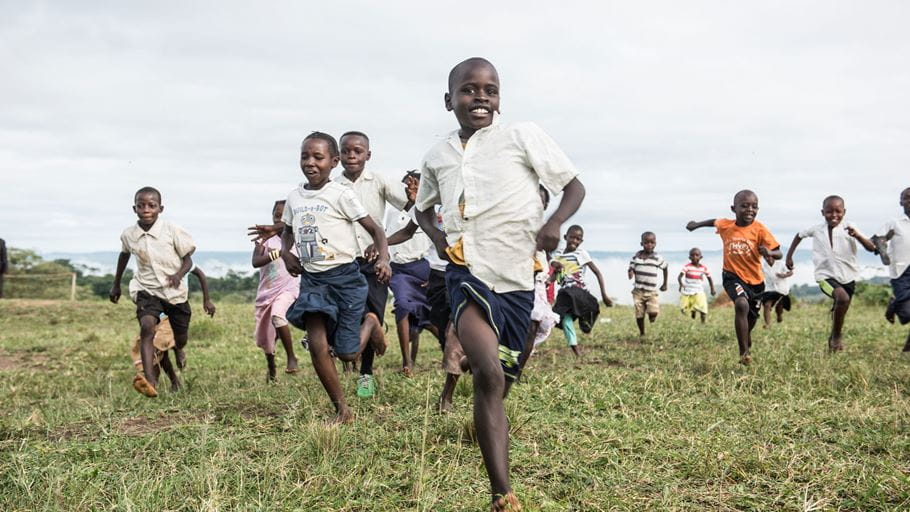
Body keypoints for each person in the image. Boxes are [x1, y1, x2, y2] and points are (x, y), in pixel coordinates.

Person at [414, 57, 585, 511]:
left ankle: (486, 422)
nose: (481, 97)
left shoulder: (521, 136)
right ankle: (502, 496)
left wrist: (555, 224)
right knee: (487, 372)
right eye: (469, 90)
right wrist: (437, 237)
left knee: (501, 377)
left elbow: (573, 187)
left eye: (490, 90)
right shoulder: (437, 156)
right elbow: (423, 208)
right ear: (448, 100)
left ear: (499, 99)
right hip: (465, 273)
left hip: (516, 278)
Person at [280, 132, 391, 424]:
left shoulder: (341, 195)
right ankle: (342, 410)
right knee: (317, 343)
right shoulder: (294, 197)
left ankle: (371, 322)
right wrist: (285, 252)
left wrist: (383, 257)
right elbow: (287, 230)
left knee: (347, 353)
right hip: (313, 280)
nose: (310, 163)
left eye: (318, 157)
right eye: (305, 156)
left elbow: (376, 230)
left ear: (334, 162)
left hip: (345, 279)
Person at [335, 130, 411, 398]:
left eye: (358, 151)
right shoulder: (333, 187)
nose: (352, 156)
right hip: (343, 262)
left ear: (368, 154)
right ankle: (364, 344)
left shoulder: (379, 182)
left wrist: (384, 248)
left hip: (374, 263)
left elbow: (412, 207)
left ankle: (365, 374)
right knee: (350, 315)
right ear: (337, 156)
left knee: (372, 315)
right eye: (346, 151)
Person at [110, 186, 197, 397]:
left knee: (181, 336)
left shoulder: (172, 230)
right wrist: (116, 283)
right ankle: (150, 381)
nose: (146, 209)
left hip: (174, 293)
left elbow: (188, 259)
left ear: (160, 208)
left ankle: (179, 348)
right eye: (141, 205)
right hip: (146, 289)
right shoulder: (129, 235)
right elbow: (124, 256)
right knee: (147, 327)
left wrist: (178, 275)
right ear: (134, 209)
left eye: (151, 205)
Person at [687, 189, 782, 365]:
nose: (749, 210)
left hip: (755, 282)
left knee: (752, 316)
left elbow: (779, 253)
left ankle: (746, 335)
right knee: (741, 304)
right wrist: (696, 225)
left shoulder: (760, 229)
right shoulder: (726, 225)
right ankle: (743, 352)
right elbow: (713, 222)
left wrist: (769, 252)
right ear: (734, 208)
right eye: (744, 206)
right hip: (731, 276)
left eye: (754, 206)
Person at [785, 195, 874, 351]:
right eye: (829, 212)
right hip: (825, 276)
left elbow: (871, 248)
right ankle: (836, 336)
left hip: (848, 277)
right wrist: (789, 256)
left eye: (838, 211)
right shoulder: (816, 229)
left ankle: (834, 332)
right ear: (822, 212)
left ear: (844, 212)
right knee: (842, 298)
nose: (834, 215)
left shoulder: (850, 227)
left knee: (842, 307)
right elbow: (799, 235)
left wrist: (857, 236)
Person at [385, 171, 433, 376]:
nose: (410, 189)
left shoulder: (428, 210)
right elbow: (392, 236)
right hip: (399, 270)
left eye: (415, 186)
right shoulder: (392, 212)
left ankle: (453, 353)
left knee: (423, 318)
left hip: (423, 267)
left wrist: (434, 274)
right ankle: (406, 362)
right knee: (403, 305)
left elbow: (434, 243)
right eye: (406, 186)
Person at [129, 266, 216, 377]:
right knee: (157, 344)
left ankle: (177, 348)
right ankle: (168, 379)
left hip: (176, 305)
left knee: (176, 339)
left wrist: (207, 300)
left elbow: (199, 273)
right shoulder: (149, 262)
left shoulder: (180, 260)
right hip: (154, 306)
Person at [252, 200, 300, 381]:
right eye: (276, 215)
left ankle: (291, 357)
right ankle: (271, 367)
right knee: (267, 336)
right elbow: (256, 262)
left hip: (289, 289)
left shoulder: (297, 240)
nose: (279, 219)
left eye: (283, 216)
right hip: (266, 292)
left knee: (278, 315)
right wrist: (279, 252)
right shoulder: (265, 239)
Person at [549, 224, 612, 357]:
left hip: (580, 292)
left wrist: (604, 295)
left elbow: (597, 273)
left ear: (581, 241)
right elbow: (554, 270)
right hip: (565, 294)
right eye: (572, 238)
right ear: (566, 237)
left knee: (592, 308)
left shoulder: (581, 254)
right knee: (564, 320)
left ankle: (586, 323)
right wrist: (547, 281)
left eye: (578, 239)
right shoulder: (558, 254)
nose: (575, 241)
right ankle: (576, 350)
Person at [871, 187, 910, 352]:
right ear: (901, 202)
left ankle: (908, 347)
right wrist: (881, 246)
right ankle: (894, 303)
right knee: (908, 314)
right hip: (901, 271)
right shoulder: (894, 224)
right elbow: (878, 238)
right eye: (907, 198)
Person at [628, 231, 668, 337]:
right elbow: (631, 266)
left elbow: (665, 268)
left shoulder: (657, 258)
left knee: (653, 313)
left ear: (655, 243)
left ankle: (651, 315)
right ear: (641, 243)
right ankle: (642, 332)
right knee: (639, 314)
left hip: (651, 292)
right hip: (638, 291)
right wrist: (630, 272)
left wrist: (665, 284)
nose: (649, 245)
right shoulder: (636, 257)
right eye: (646, 242)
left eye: (652, 242)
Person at [678, 247, 715, 323]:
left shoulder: (703, 268)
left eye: (697, 255)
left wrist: (712, 289)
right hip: (687, 291)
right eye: (692, 255)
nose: (695, 257)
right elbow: (679, 276)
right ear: (689, 257)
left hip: (699, 291)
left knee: (703, 308)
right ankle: (693, 311)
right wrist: (681, 284)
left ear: (700, 257)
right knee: (683, 309)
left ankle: (703, 323)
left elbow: (709, 278)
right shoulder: (687, 267)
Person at [760, 258, 793, 328]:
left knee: (779, 305)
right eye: (766, 257)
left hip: (781, 289)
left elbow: (791, 272)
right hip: (770, 289)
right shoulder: (764, 266)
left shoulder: (781, 263)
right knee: (767, 305)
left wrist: (783, 275)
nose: (768, 259)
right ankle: (768, 324)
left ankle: (779, 315)